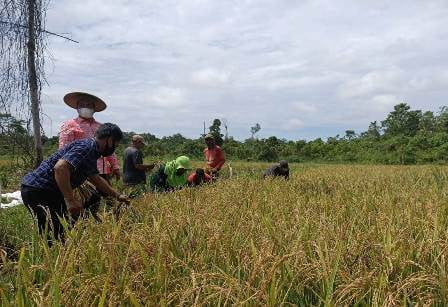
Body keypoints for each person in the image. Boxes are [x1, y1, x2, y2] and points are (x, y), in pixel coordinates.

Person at [21, 123, 130, 243]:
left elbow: (96, 179)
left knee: (63, 227)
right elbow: (60, 168)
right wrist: (70, 200)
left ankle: (61, 255)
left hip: (47, 191)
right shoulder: (87, 147)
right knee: (54, 234)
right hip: (39, 190)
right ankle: (53, 258)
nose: (115, 147)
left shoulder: (92, 151)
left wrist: (117, 195)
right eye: (116, 143)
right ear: (109, 139)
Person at [59, 92, 121, 183]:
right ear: (77, 107)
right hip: (80, 170)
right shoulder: (69, 125)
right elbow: (64, 149)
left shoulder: (101, 127)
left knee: (105, 195)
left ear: (94, 108)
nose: (85, 107)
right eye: (82, 105)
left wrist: (115, 166)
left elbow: (109, 148)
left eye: (89, 105)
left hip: (101, 170)